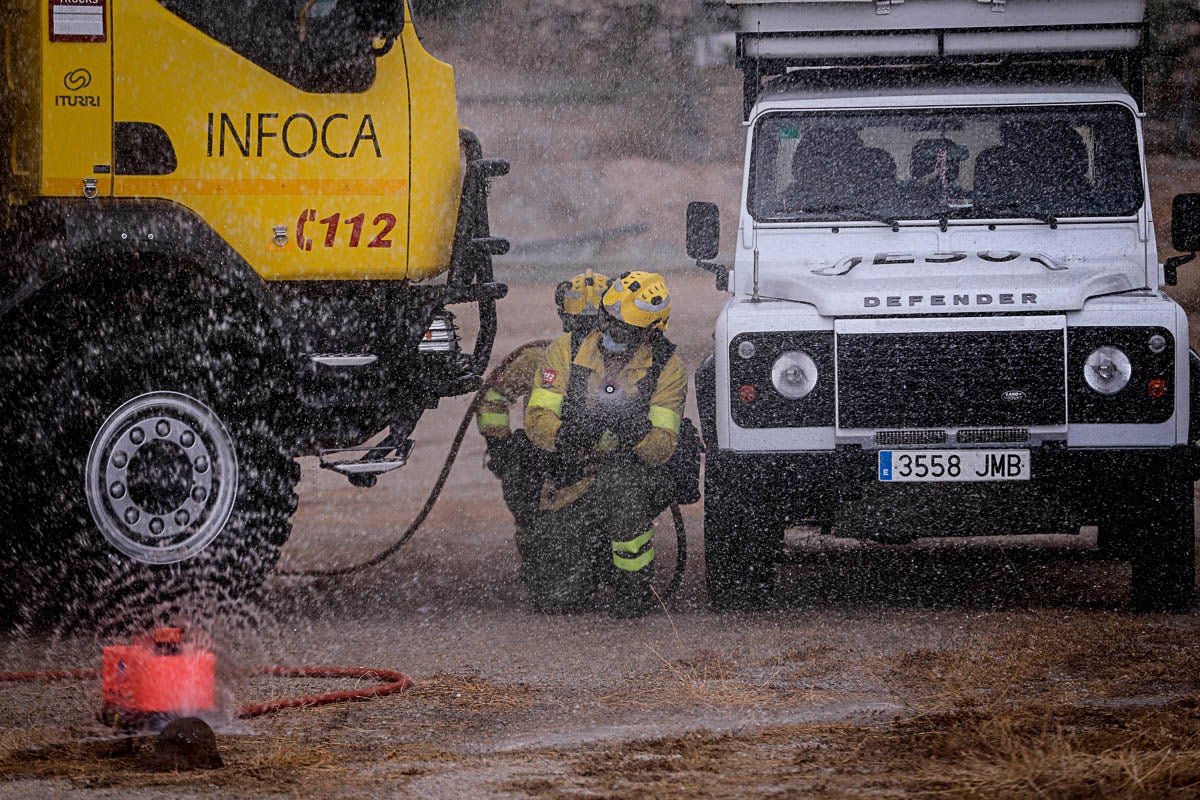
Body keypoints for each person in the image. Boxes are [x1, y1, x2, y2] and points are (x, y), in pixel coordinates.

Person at [524, 271, 688, 617]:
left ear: (648, 333)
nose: (608, 334)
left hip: (636, 476)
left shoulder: (668, 368)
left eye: (622, 329)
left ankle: (634, 587)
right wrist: (567, 435)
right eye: (606, 321)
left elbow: (662, 448)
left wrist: (632, 427)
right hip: (576, 473)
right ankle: (593, 557)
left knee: (620, 486)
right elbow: (537, 419)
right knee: (555, 597)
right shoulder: (565, 350)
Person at [476, 271, 610, 544]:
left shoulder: (629, 363)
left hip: (597, 466)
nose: (587, 338)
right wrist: (499, 445)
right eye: (582, 327)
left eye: (592, 327)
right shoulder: (538, 360)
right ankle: (536, 540)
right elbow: (493, 397)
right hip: (546, 462)